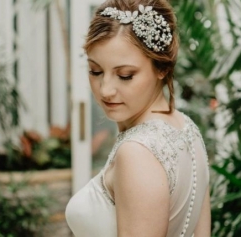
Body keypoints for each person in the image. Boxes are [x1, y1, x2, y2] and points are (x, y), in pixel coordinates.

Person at [65, 0, 211, 236]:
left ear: (161, 68)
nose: (105, 90)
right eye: (95, 71)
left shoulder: (137, 152)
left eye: (125, 75)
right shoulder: (188, 128)